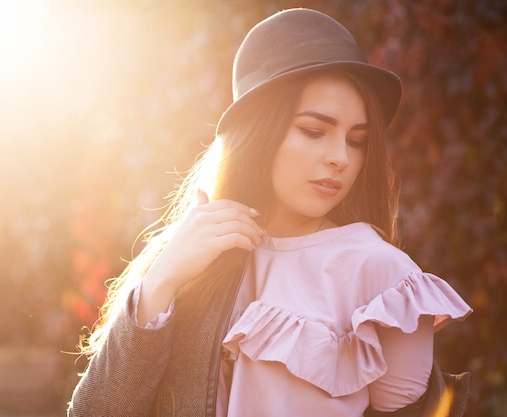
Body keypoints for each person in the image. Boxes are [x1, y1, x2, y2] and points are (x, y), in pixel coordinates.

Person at [67, 8, 472, 417]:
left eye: (357, 140)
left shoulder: (384, 276)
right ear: (260, 133)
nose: (340, 158)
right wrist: (161, 281)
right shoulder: (194, 256)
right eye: (314, 131)